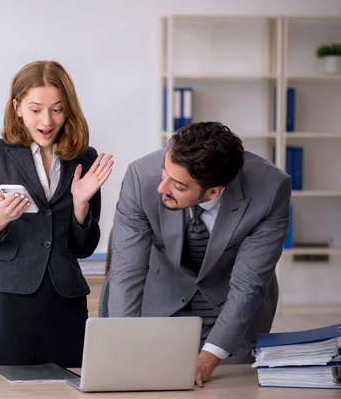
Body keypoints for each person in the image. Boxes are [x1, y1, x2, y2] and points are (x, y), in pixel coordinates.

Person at [106, 122, 291, 387]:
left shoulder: (270, 190)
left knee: (228, 389)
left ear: (214, 191)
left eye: (178, 185)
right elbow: (127, 271)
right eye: (164, 172)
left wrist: (208, 358)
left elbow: (248, 284)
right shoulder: (141, 176)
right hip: (162, 303)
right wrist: (124, 346)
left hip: (234, 312)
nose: (162, 188)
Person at [0, 60, 114, 368]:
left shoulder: (84, 157)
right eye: (35, 109)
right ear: (17, 108)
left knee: (70, 385)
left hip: (66, 297)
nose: (47, 120)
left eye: (57, 109)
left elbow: (84, 248)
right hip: (12, 296)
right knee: (12, 389)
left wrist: (81, 205)